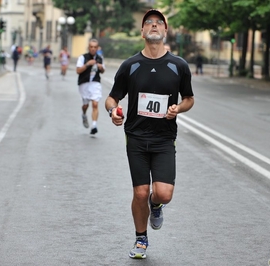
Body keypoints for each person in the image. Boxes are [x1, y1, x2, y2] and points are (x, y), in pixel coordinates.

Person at [105, 9, 194, 259]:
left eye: (159, 23)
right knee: (140, 192)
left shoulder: (179, 66)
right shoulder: (130, 65)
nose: (154, 25)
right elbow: (112, 98)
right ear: (142, 32)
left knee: (163, 194)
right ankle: (141, 238)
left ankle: (156, 206)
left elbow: (189, 99)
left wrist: (178, 108)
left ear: (165, 31)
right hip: (135, 137)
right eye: (149, 23)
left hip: (164, 139)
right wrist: (113, 111)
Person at [76, 39, 105, 135]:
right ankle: (84, 114)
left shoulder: (100, 58)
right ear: (88, 47)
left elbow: (103, 71)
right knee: (85, 105)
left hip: (95, 83)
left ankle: (94, 125)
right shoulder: (83, 57)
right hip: (84, 83)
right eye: (91, 47)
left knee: (95, 104)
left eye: (95, 47)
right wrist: (88, 64)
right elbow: (78, 71)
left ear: (97, 48)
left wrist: (101, 67)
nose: (93, 49)